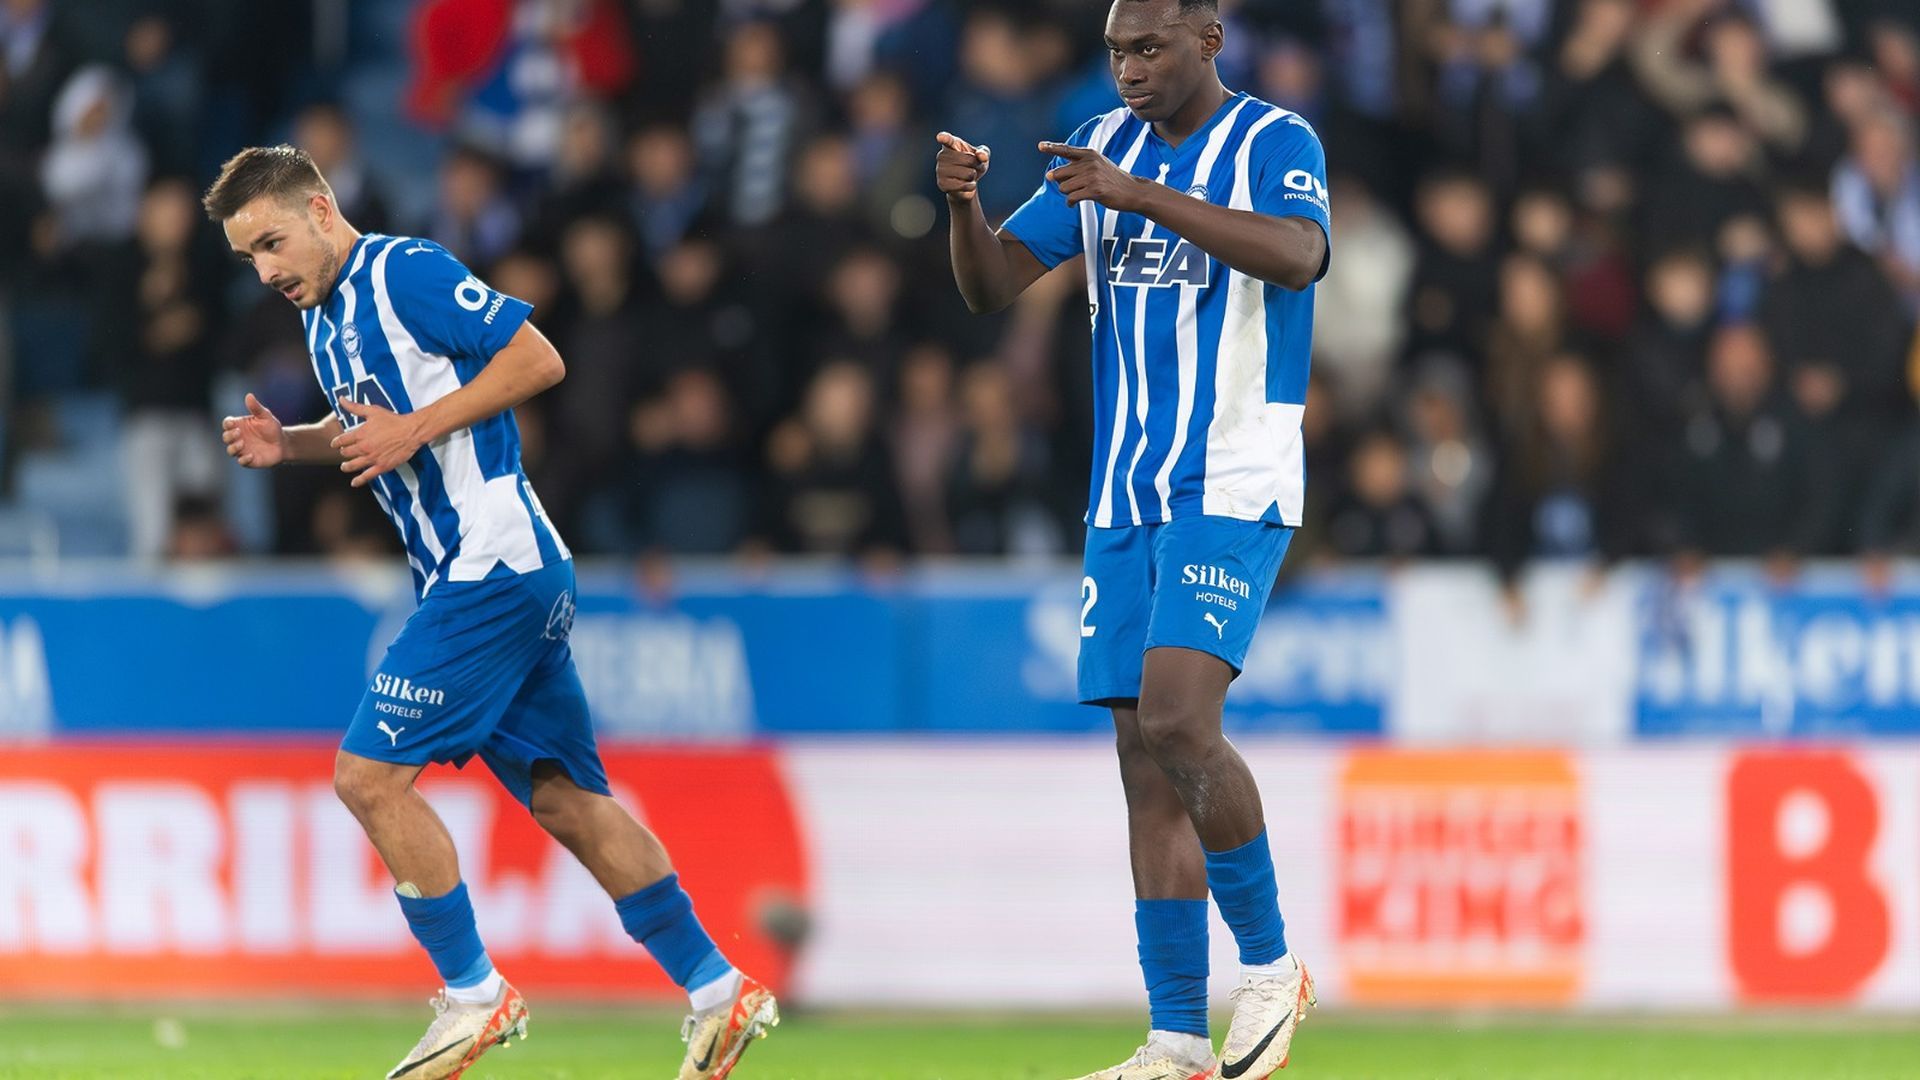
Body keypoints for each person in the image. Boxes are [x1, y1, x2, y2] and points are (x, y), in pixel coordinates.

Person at [205, 145, 777, 1080]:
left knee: (366, 777)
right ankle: (720, 993)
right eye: (248, 258)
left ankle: (474, 996)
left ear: (318, 208)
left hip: (494, 563)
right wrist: (295, 444)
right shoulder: (324, 325)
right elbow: (374, 430)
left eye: (271, 242)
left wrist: (416, 429)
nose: (266, 270)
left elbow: (536, 358)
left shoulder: (406, 271)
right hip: (489, 574)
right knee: (567, 799)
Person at [936, 1, 1328, 1077]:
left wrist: (1141, 195)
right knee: (1141, 760)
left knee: (1177, 719)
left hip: (1235, 475)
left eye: (1148, 48)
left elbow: (1299, 257)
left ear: (1208, 41)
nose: (1128, 70)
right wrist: (965, 210)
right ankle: (1174, 1040)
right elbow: (995, 283)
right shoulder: (1101, 149)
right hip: (1125, 492)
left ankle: (1272, 964)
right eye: (1115, 52)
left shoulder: (1273, 141)